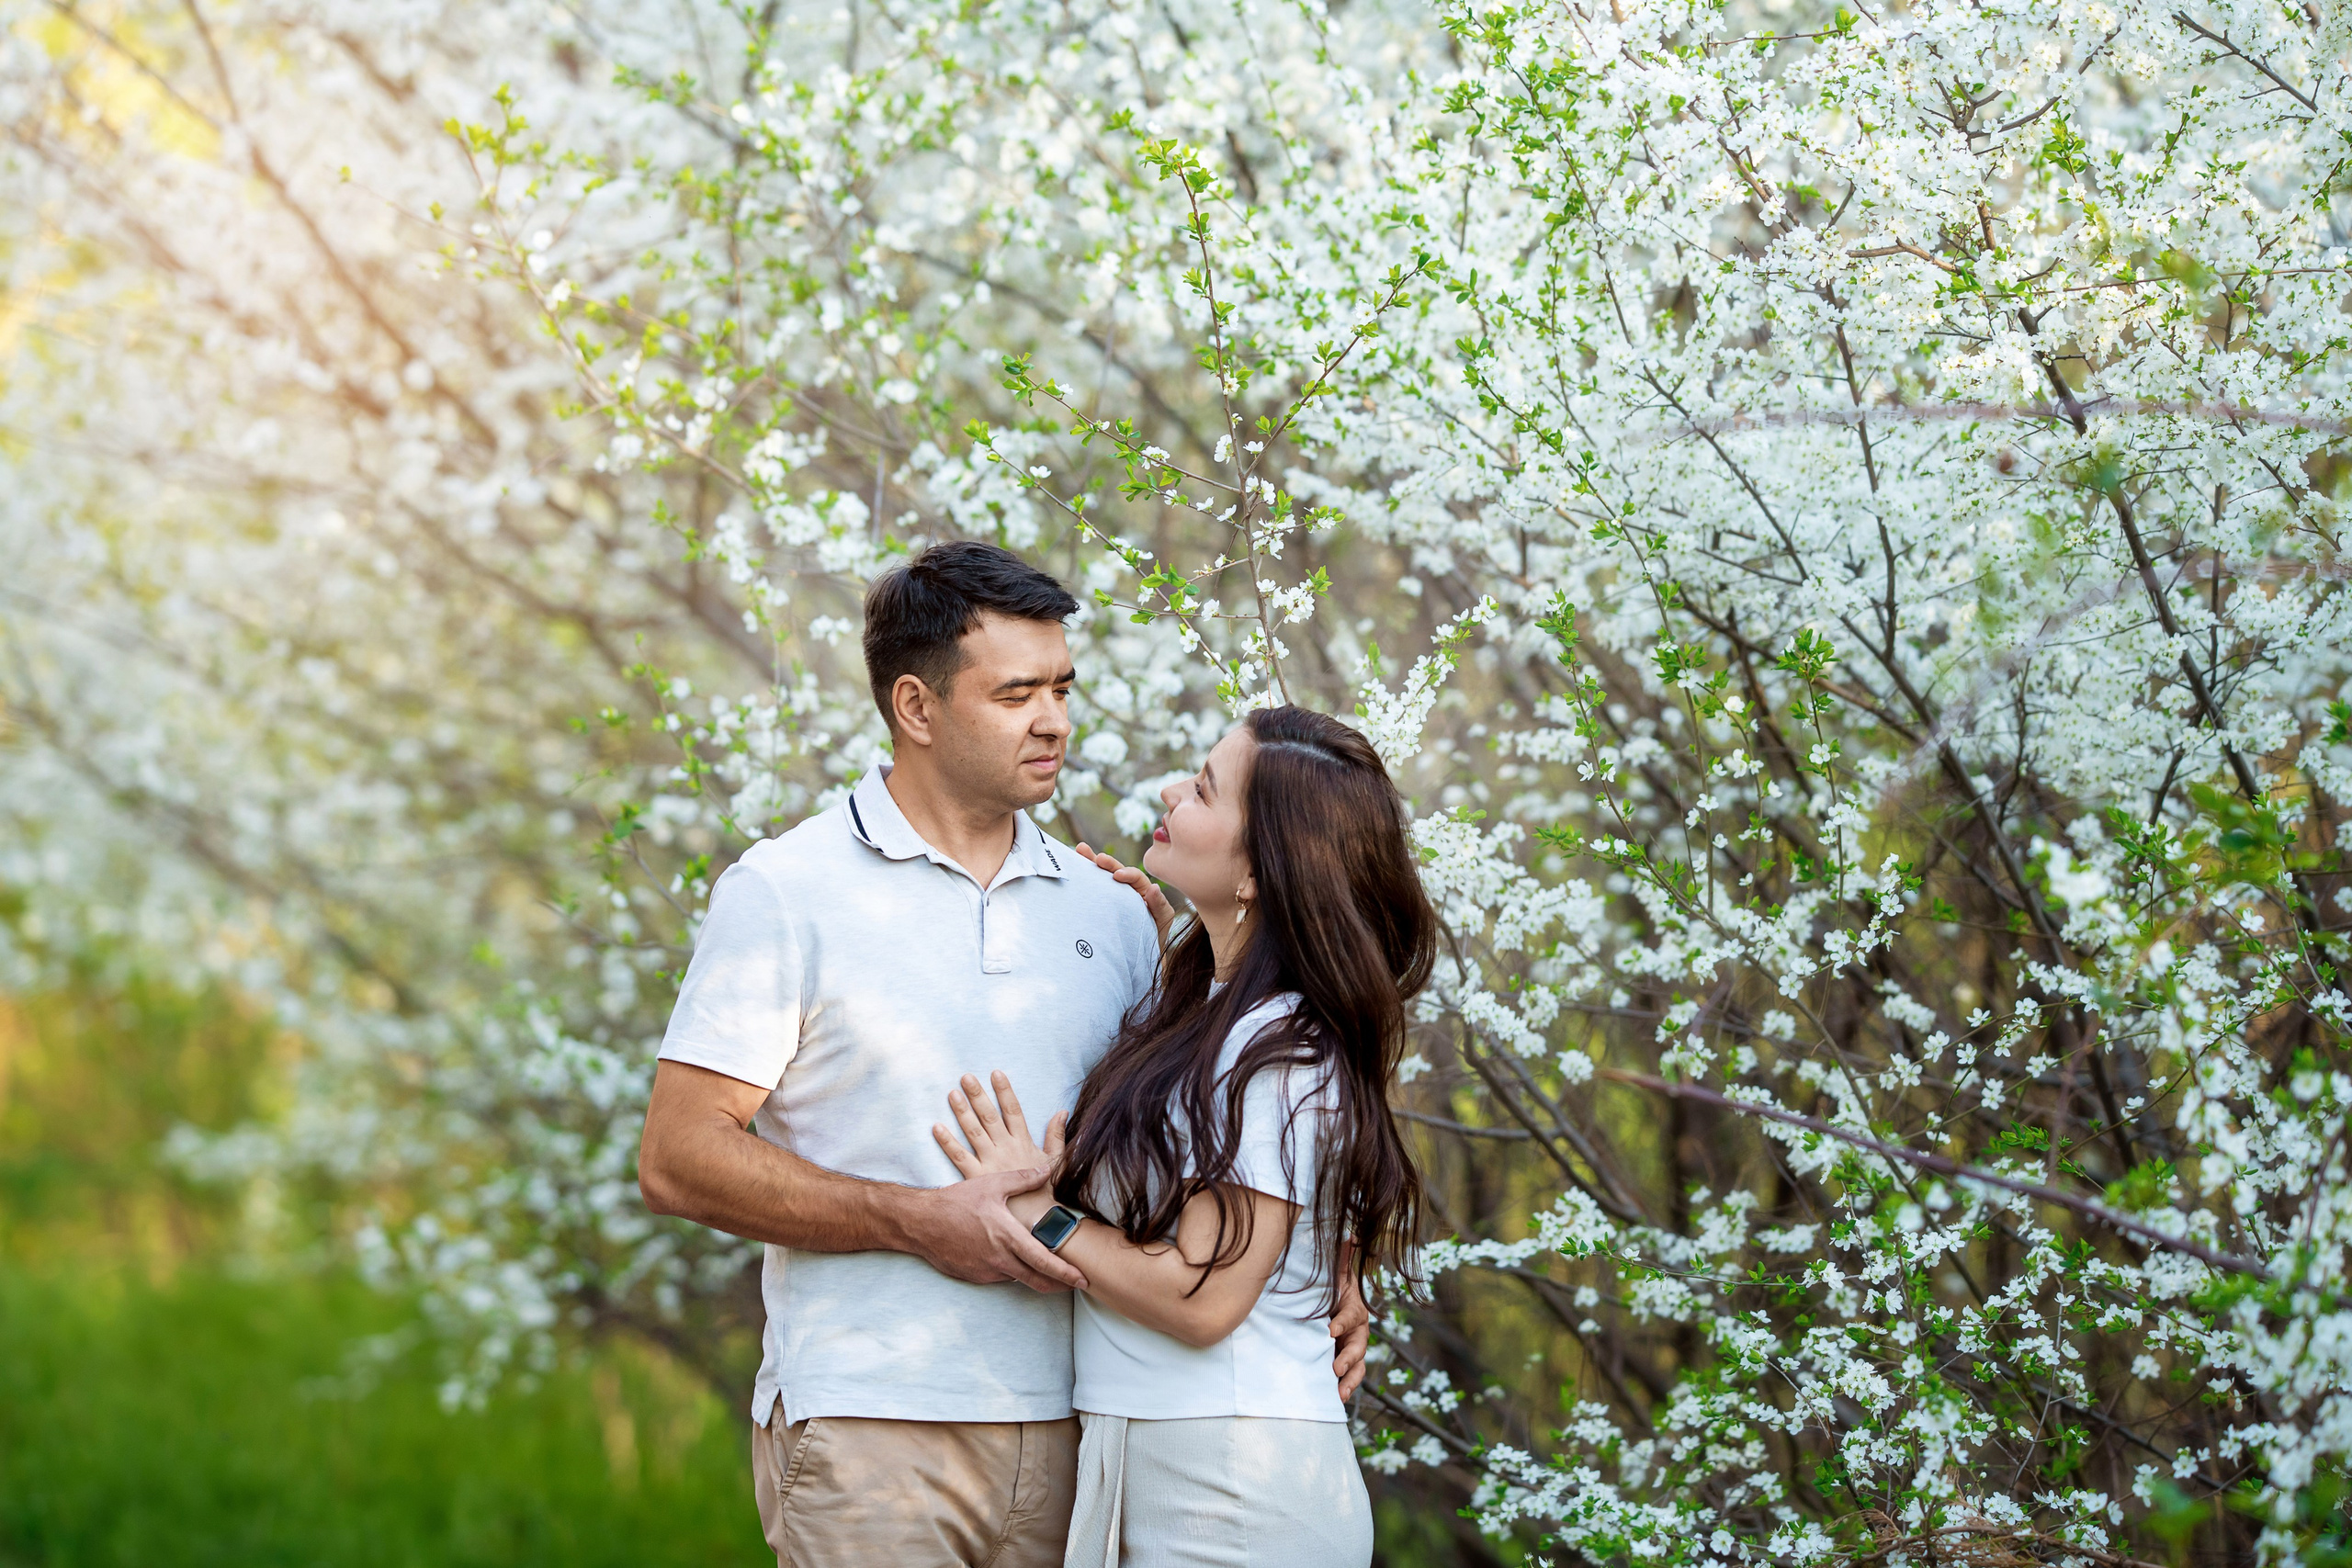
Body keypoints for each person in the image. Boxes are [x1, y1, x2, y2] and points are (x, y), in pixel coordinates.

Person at [636, 541, 1369, 1568]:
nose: (1054, 720)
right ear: (916, 706)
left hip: (1086, 1432)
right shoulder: (787, 891)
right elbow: (677, 1157)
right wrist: (914, 1220)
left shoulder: (1114, 911)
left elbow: (1235, 1109)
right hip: (876, 1426)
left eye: (1062, 687)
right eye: (1017, 693)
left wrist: (1326, 1258)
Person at [933, 705, 1434, 1568]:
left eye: (1203, 789)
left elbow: (1203, 1299)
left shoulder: (1278, 1047)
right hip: (1179, 1455)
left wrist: (1041, 1211)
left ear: (1259, 870)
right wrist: (1169, 948)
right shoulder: (1218, 1010)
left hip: (1233, 1486)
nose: (1171, 790)